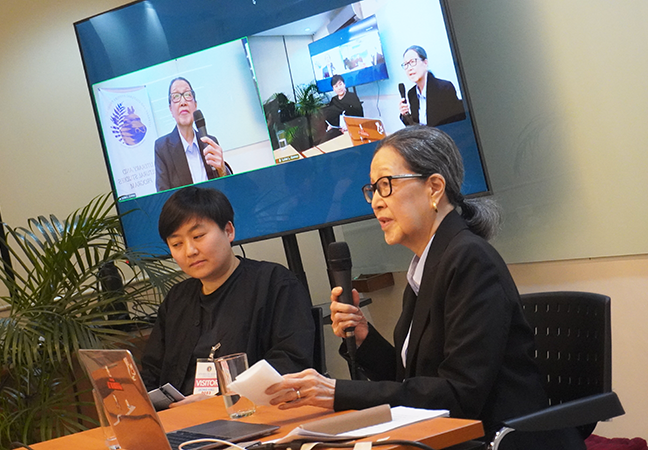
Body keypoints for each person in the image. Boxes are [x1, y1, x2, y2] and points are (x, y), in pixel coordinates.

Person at [266, 126, 585, 449]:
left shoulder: (470, 260)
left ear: (434, 188)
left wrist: (338, 391)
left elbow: (459, 395)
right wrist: (364, 338)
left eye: (386, 185)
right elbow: (411, 381)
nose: (376, 203)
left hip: (497, 441)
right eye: (373, 190)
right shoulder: (428, 263)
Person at [140, 186, 314, 406]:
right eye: (177, 244)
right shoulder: (176, 299)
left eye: (198, 236)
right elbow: (152, 372)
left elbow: (290, 362)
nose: (190, 251)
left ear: (229, 231)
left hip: (251, 414)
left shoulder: (274, 283)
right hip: (179, 418)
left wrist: (220, 400)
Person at [154, 77, 231, 192]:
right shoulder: (162, 148)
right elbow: (163, 196)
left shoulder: (210, 142)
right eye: (176, 96)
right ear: (171, 109)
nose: (183, 102)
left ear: (195, 105)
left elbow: (228, 188)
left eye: (187, 95)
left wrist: (222, 170)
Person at [398, 45, 466, 127]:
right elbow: (416, 127)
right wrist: (405, 115)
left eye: (412, 62)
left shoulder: (444, 88)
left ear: (425, 63)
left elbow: (454, 124)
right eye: (406, 64)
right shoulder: (412, 94)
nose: (409, 68)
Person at [323, 74, 364, 142]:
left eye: (340, 84)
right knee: (325, 140)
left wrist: (348, 126)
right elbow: (331, 117)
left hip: (352, 128)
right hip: (338, 130)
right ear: (333, 89)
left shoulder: (352, 97)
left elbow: (360, 116)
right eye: (336, 86)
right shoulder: (334, 100)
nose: (339, 88)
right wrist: (330, 126)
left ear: (344, 84)